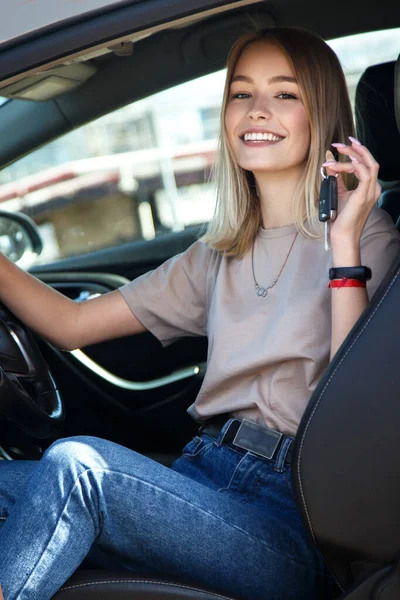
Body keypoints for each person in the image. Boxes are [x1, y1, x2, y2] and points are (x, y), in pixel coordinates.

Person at [0, 26, 399, 600]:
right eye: (242, 93)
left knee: (78, 469)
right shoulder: (220, 252)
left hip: (299, 515)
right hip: (202, 475)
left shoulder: (369, 239)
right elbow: (72, 325)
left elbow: (354, 410)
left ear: (323, 117)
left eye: (285, 94)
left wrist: (344, 248)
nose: (257, 110)